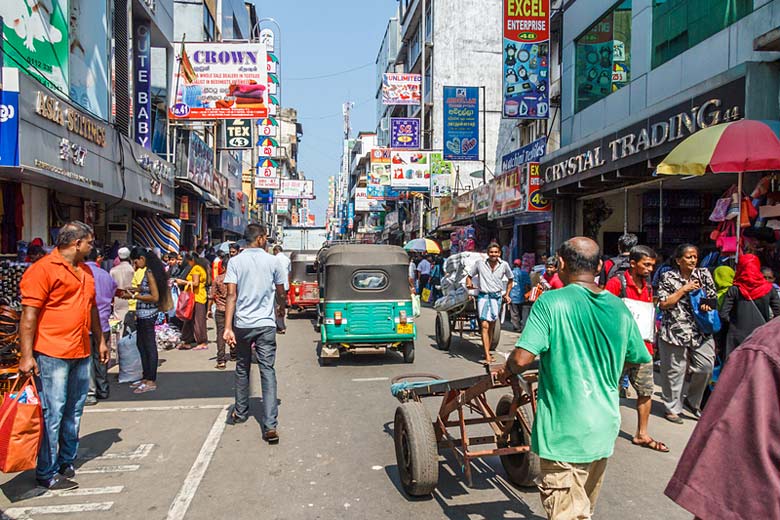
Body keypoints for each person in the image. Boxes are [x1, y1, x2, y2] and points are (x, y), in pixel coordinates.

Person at [500, 237, 650, 519]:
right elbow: (637, 357)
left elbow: (521, 359)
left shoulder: (551, 302)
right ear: (597, 267)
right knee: (583, 511)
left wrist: (507, 368)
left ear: (563, 264)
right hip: (603, 428)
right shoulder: (618, 307)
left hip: (563, 433)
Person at [19, 221, 109, 491]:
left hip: (81, 349)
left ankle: (66, 460)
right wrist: (27, 356)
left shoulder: (85, 272)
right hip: (51, 352)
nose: (92, 247)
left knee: (75, 409)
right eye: (89, 242)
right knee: (53, 412)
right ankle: (46, 471)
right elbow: (29, 317)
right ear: (76, 243)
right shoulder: (42, 270)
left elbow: (92, 308)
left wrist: (101, 341)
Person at [664, 316, 780, 519]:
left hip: (707, 337)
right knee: (676, 369)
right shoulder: (768, 348)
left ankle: (689, 402)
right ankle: (675, 405)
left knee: (698, 369)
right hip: (683, 334)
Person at [223, 224, 286, 443]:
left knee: (242, 366)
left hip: (243, 324)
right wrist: (282, 310)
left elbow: (231, 296)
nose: (267, 240)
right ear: (259, 239)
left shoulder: (235, 262)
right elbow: (280, 292)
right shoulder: (273, 261)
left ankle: (241, 412)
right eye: (265, 238)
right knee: (267, 370)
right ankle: (270, 425)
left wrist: (227, 327)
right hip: (266, 324)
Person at [605, 245, 668, 453]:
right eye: (646, 264)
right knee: (609, 391)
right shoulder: (617, 283)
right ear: (633, 263)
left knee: (645, 392)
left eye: (652, 265)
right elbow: (604, 311)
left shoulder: (649, 287)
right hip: (619, 350)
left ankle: (642, 433)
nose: (650, 269)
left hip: (643, 349)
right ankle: (605, 431)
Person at [657, 244, 717, 423]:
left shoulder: (704, 274)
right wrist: (684, 289)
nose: (692, 260)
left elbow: (712, 298)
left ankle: (693, 401)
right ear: (678, 260)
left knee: (705, 367)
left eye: (695, 257)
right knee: (674, 371)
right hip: (674, 329)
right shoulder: (668, 276)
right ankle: (672, 407)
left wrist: (708, 304)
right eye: (689, 257)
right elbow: (664, 303)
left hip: (701, 331)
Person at [122, 248, 170, 394]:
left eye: (136, 261)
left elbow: (154, 297)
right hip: (144, 314)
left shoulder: (149, 272)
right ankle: (145, 377)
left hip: (148, 314)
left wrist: (134, 297)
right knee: (141, 345)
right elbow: (146, 289)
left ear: (142, 258)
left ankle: (151, 380)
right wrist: (133, 289)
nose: (135, 264)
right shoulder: (150, 271)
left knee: (148, 346)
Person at [719, 254, 780, 363]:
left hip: (736, 338)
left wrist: (735, 324)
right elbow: (778, 313)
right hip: (761, 337)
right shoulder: (769, 289)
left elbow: (723, 314)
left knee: (735, 370)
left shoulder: (734, 289)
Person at [465, 243, 513, 364]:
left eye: (496, 252)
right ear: (488, 253)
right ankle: (487, 355)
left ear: (499, 253)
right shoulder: (480, 264)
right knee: (485, 325)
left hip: (496, 297)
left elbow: (510, 279)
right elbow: (469, 276)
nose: (493, 254)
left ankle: (487, 350)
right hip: (483, 297)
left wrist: (507, 294)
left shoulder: (504, 265)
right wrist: (469, 285)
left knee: (491, 326)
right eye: (491, 252)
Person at [84, 247, 116, 405]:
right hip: (103, 322)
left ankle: (91, 393)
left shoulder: (81, 274)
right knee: (101, 357)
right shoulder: (105, 275)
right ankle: (103, 389)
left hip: (87, 324)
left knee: (88, 360)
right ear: (98, 258)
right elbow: (113, 293)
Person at [175, 253, 208, 350]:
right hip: (194, 297)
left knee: (198, 320)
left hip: (197, 297)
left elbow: (196, 283)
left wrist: (182, 282)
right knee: (189, 319)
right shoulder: (199, 267)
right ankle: (186, 340)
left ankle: (202, 341)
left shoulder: (196, 268)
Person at [209, 256, 233, 369]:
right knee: (234, 331)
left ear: (223, 267)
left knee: (220, 334)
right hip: (233, 309)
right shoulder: (235, 279)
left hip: (220, 309)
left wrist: (208, 309)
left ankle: (221, 359)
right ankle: (234, 353)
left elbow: (211, 295)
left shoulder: (218, 279)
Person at [110, 247, 134, 327]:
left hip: (118, 299)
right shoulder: (133, 270)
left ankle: (117, 338)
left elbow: (111, 288)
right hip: (131, 298)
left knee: (117, 322)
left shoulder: (113, 270)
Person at [508, 259, 531, 331]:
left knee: (514, 312)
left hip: (512, 295)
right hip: (522, 296)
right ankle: (521, 324)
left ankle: (517, 326)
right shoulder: (524, 273)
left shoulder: (510, 273)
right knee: (521, 311)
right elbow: (528, 284)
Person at [273, 245, 291, 334]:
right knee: (282, 306)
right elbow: (289, 273)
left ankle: (280, 326)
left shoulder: (274, 259)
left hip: (277, 287)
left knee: (277, 306)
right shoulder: (287, 259)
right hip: (285, 286)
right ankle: (281, 324)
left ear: (276, 251)